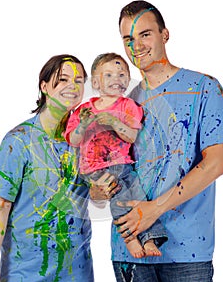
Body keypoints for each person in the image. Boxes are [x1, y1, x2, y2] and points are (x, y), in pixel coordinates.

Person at [109, 0, 223, 282]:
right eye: (128, 39)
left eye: (145, 34)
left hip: (187, 249)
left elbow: (215, 164)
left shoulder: (203, 89)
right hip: (131, 250)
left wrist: (153, 208)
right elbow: (110, 169)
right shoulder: (121, 103)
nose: (136, 46)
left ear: (165, 35)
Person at [0, 55, 96, 282]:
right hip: (23, 273)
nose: (72, 86)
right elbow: (0, 205)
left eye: (79, 80)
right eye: (63, 79)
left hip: (73, 272)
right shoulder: (19, 140)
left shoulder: (87, 140)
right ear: (44, 86)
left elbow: (96, 199)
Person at [64, 52, 168, 259]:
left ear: (128, 81)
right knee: (119, 200)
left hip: (124, 166)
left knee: (140, 199)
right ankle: (130, 238)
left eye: (122, 75)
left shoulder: (127, 106)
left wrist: (114, 122)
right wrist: (84, 123)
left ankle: (149, 238)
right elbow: (73, 140)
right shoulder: (83, 110)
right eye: (109, 75)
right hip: (95, 169)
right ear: (95, 82)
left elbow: (131, 137)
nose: (117, 79)